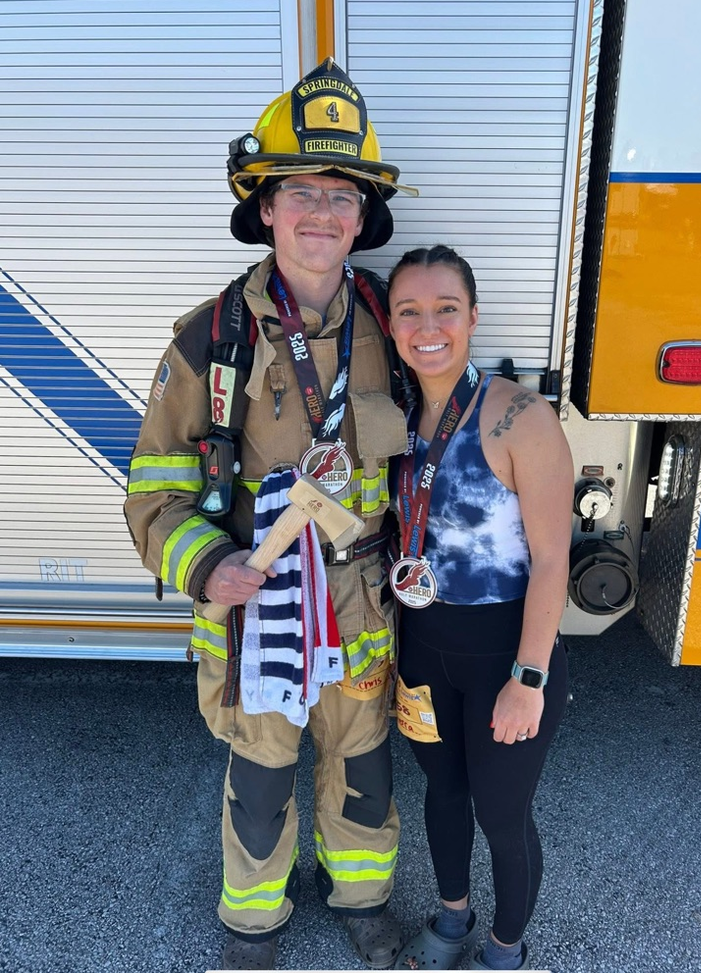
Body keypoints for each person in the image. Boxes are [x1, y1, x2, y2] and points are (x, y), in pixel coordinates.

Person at [124, 59, 416, 971]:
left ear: (362, 218)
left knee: (364, 767)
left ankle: (363, 901)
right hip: (257, 602)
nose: (322, 213)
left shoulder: (398, 324)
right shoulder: (208, 339)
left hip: (363, 600)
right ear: (265, 208)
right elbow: (154, 489)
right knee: (259, 775)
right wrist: (208, 567)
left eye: (341, 196)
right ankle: (253, 922)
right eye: (301, 192)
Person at [386, 245, 573, 972]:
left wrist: (529, 678)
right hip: (423, 645)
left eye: (446, 309)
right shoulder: (392, 415)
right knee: (443, 791)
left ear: (472, 318)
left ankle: (504, 949)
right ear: (392, 324)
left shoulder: (520, 416)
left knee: (501, 813)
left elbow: (553, 560)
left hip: (506, 652)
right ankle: (451, 917)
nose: (428, 327)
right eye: (409, 311)